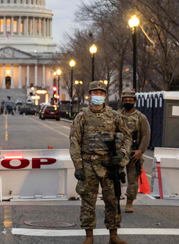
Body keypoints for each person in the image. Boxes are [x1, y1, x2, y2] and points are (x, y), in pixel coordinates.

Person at [70, 81, 131, 244]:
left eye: (101, 93)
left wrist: (122, 154)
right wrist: (78, 166)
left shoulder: (115, 116)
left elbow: (128, 137)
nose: (98, 96)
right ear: (89, 95)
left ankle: (113, 235)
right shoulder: (82, 117)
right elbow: (74, 141)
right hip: (89, 165)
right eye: (95, 93)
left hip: (109, 165)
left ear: (104, 95)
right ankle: (89, 236)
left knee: (112, 200)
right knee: (87, 202)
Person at [119, 90, 150, 213]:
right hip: (120, 153)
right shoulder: (116, 116)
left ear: (135, 101)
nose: (128, 102)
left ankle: (129, 202)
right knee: (113, 177)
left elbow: (146, 135)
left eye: (130, 100)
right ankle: (114, 201)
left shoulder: (140, 117)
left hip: (134, 153)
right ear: (122, 101)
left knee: (133, 179)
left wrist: (140, 150)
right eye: (125, 100)